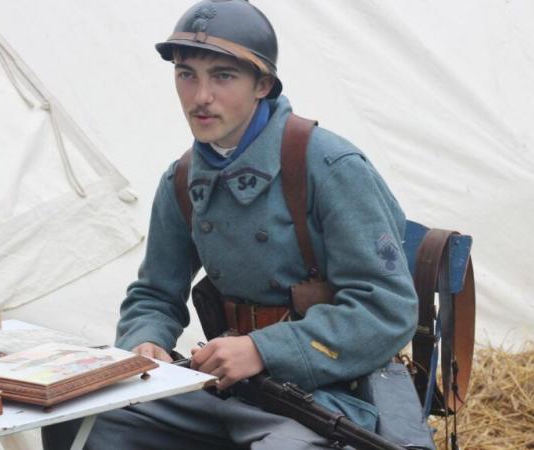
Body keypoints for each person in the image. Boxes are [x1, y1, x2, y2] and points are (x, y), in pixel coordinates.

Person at [42, 1, 418, 448]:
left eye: (222, 76)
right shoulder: (182, 180)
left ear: (262, 84)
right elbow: (155, 294)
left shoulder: (330, 166)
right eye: (186, 74)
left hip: (331, 391)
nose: (200, 96)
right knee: (80, 421)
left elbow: (386, 309)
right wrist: (145, 344)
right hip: (226, 388)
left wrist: (264, 350)